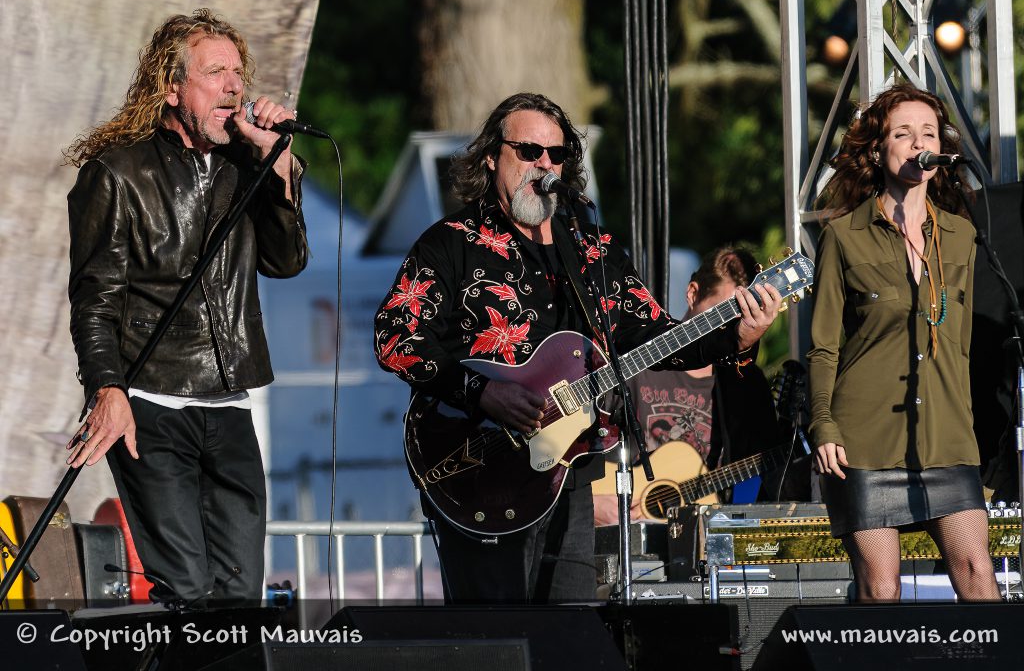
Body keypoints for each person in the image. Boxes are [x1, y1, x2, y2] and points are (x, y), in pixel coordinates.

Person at [373, 92, 781, 602]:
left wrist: (737, 339)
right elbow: (395, 337)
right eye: (528, 151)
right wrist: (482, 392)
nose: (544, 164)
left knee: (572, 630)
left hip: (571, 471)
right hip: (478, 464)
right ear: (490, 158)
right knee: (495, 634)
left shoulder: (595, 251)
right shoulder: (450, 243)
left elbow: (664, 343)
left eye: (556, 155)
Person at [64, 9, 308, 603]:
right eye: (214, 72)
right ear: (171, 87)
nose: (233, 86)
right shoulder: (118, 174)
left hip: (228, 402)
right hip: (153, 403)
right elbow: (94, 301)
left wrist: (277, 165)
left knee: (239, 593)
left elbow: (287, 261)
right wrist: (108, 390)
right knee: (189, 591)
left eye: (237, 73)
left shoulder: (247, 166)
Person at [808, 83, 999, 601]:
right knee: (881, 587)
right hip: (864, 440)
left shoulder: (961, 235)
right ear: (878, 148)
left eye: (929, 133)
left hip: (946, 434)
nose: (919, 142)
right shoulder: (844, 235)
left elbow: (962, 345)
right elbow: (824, 345)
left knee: (979, 572)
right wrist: (823, 424)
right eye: (903, 132)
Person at [593, 246, 789, 526]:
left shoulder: (745, 382)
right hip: (625, 534)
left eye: (737, 318)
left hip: (705, 543)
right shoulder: (639, 362)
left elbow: (769, 483)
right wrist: (589, 504)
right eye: (720, 314)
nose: (728, 327)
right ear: (692, 293)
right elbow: (573, 449)